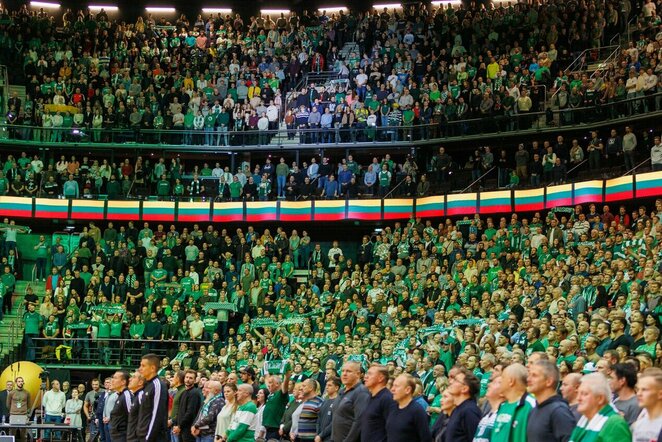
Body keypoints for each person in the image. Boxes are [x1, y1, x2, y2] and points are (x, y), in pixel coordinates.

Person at [568, 373, 631, 442]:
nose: (578, 398)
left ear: (600, 398)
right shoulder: (585, 420)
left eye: (584, 394)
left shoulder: (615, 424)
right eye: (578, 393)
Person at [526, 360, 576, 442]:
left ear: (549, 381)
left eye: (534, 376)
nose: (528, 379)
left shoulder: (559, 411)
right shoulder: (535, 409)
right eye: (529, 375)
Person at [491, 363, 536, 442]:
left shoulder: (531, 405)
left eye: (503, 377)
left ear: (511, 381)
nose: (500, 381)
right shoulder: (503, 405)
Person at [385, 374, 432, 442]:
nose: (392, 389)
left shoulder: (417, 411)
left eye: (396, 386)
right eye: (393, 386)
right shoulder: (392, 408)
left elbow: (426, 438)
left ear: (408, 390)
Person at [331, 361, 370, 442]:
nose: (344, 374)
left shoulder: (361, 392)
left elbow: (359, 421)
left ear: (358, 374)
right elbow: (336, 417)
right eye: (342, 371)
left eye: (348, 371)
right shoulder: (341, 391)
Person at [440, 367, 481, 442]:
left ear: (464, 389)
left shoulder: (470, 411)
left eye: (456, 380)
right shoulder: (457, 409)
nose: (451, 382)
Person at [137, 354, 169, 441]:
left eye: (143, 366)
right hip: (143, 434)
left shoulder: (157, 385)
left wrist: (148, 438)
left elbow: (156, 414)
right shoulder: (148, 385)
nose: (140, 369)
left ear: (152, 368)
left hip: (153, 437)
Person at [361, 364, 394, 442]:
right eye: (366, 373)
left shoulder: (387, 399)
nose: (365, 377)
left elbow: (392, 430)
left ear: (381, 378)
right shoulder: (369, 397)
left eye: (370, 374)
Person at [632, 368, 662, 441]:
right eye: (637, 389)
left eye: (644, 389)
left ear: (660, 394)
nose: (639, 394)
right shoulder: (638, 425)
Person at [261, 368, 291, 440]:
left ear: (277, 384)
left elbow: (285, 386)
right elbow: (266, 380)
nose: (268, 385)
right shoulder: (272, 394)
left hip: (276, 428)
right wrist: (266, 369)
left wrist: (287, 376)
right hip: (268, 428)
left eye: (271, 383)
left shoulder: (281, 394)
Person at [472, 373, 504, 442]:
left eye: (494, 383)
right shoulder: (486, 416)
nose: (488, 384)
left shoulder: (503, 416)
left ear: (504, 391)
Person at [174, 369, 203, 442]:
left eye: (191, 378)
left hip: (189, 430)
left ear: (195, 380)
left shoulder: (194, 393)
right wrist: (176, 424)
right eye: (186, 377)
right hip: (181, 429)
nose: (188, 380)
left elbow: (190, 413)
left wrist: (180, 426)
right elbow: (179, 411)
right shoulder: (184, 392)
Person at [109, 370, 133, 442]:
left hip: (123, 436)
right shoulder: (121, 395)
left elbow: (132, 417)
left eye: (115, 378)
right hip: (117, 436)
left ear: (123, 382)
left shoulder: (127, 395)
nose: (112, 380)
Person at [316, 377, 340, 442]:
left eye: (329, 385)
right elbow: (319, 419)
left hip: (331, 438)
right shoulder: (324, 401)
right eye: (326, 385)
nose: (326, 387)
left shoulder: (339, 402)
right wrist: (318, 434)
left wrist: (321, 435)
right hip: (320, 438)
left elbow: (334, 423)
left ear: (336, 388)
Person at [127, 371, 146, 442]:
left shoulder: (142, 395)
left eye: (133, 377)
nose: (130, 379)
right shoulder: (136, 395)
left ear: (140, 382)